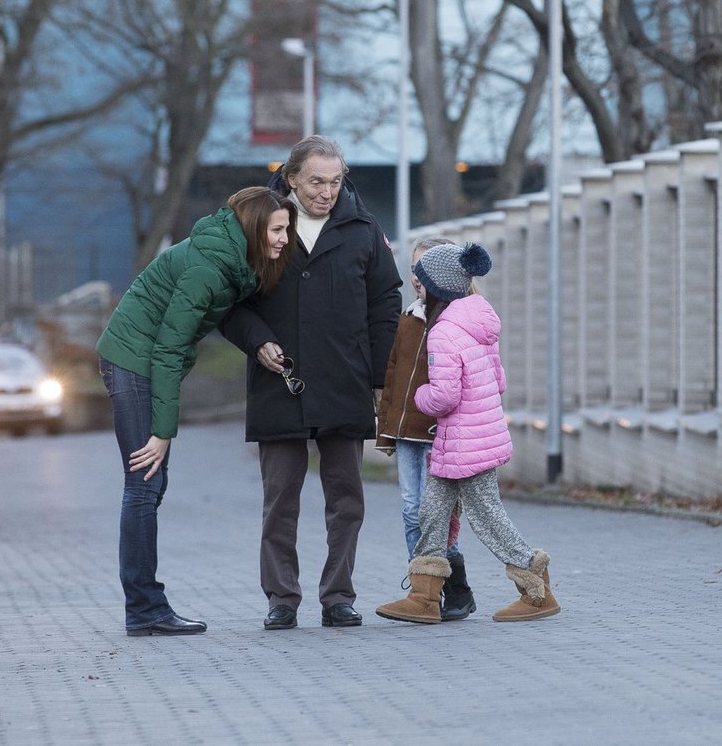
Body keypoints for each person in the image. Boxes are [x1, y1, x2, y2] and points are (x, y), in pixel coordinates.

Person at [96, 186, 296, 637]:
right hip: (134, 360)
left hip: (142, 359)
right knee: (143, 484)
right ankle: (145, 609)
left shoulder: (231, 257)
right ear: (253, 228)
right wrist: (163, 432)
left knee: (150, 484)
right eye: (278, 230)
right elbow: (168, 349)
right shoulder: (208, 266)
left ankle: (145, 604)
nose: (285, 239)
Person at [220, 135, 402, 631]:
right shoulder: (262, 225)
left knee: (347, 499)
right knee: (280, 499)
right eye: (317, 181)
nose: (327, 192)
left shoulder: (364, 230)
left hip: (345, 379)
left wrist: (380, 375)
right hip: (280, 381)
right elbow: (231, 302)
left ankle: (338, 596)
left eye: (336, 181)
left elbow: (386, 302)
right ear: (292, 178)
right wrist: (256, 340)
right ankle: (282, 598)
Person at [376, 242, 561, 624]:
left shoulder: (443, 332)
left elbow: (443, 397)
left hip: (465, 441)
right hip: (472, 435)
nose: (418, 286)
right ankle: (424, 596)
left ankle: (536, 588)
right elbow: (499, 379)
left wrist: (420, 396)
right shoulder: (478, 322)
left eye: (423, 280)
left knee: (486, 517)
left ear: (436, 287)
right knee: (431, 512)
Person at [375, 234, 474, 620]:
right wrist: (386, 429)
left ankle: (455, 591)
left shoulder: (457, 321)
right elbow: (394, 373)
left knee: (438, 516)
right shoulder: (409, 317)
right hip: (405, 436)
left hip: (439, 435)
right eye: (414, 268)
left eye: (426, 269)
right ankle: (424, 592)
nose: (418, 277)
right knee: (410, 511)